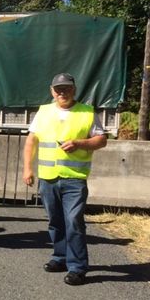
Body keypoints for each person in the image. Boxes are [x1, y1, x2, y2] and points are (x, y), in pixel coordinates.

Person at [22, 73, 107, 286]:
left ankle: (78, 267)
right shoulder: (44, 112)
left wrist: (79, 143)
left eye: (66, 88)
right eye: (58, 89)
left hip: (74, 180)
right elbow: (31, 141)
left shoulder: (87, 112)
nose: (62, 92)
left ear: (74, 90)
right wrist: (27, 169)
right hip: (48, 178)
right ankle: (60, 257)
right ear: (52, 91)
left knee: (74, 222)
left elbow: (101, 140)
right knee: (55, 221)